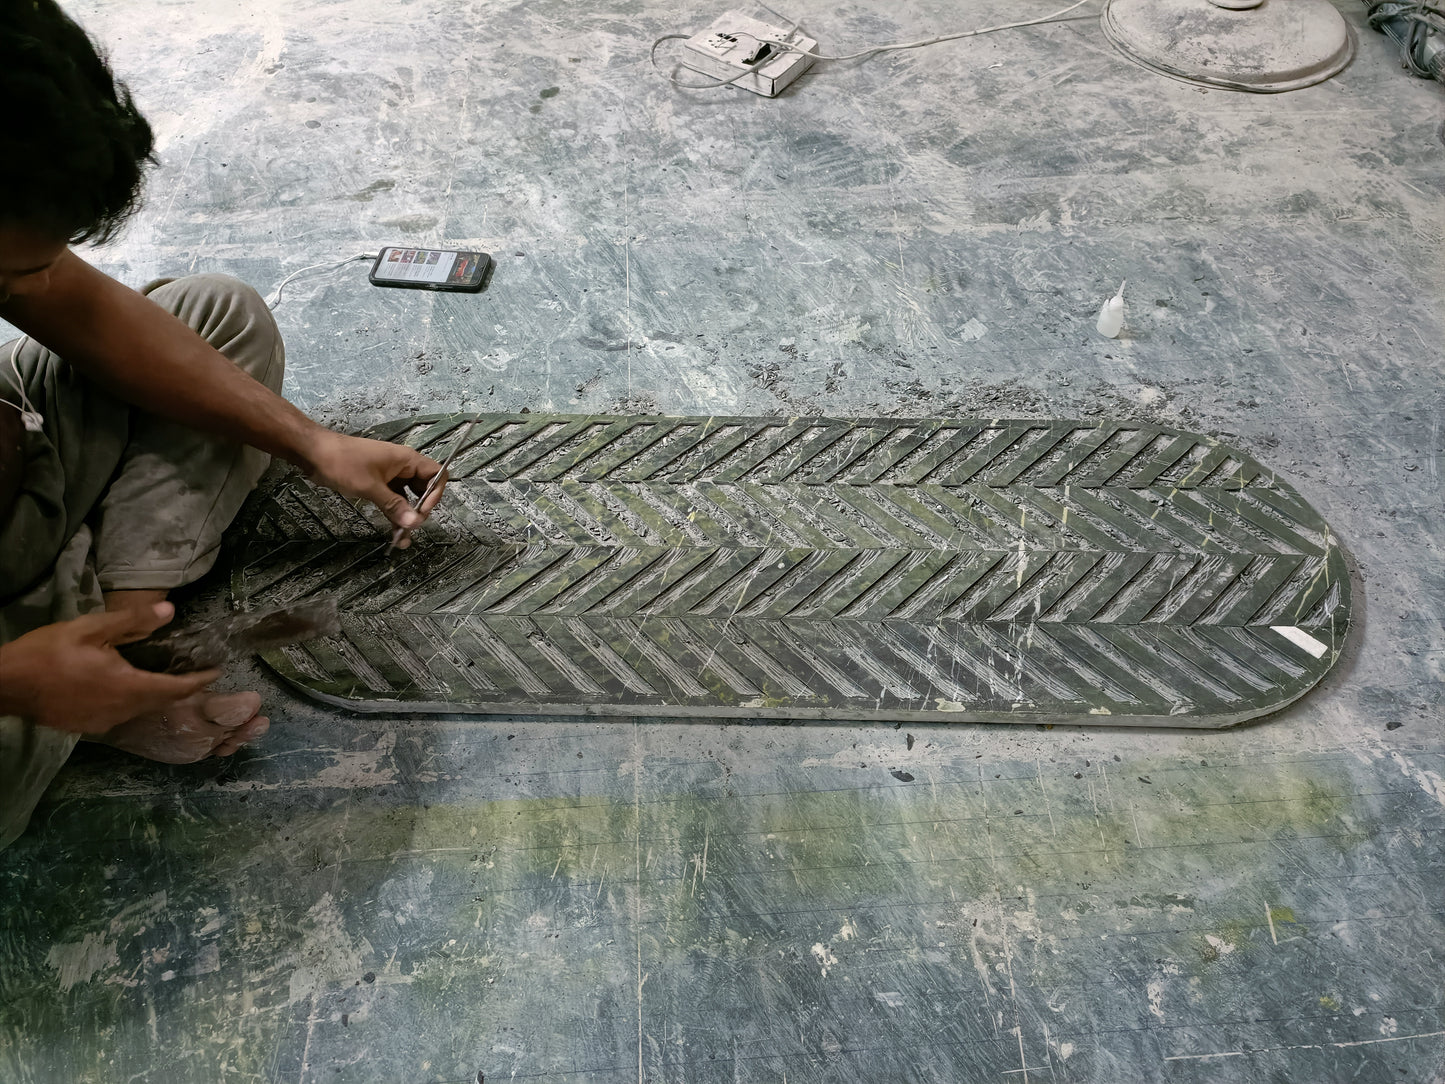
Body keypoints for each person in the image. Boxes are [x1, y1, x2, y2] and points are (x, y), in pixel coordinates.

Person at [0, 0, 445, 849]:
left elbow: (86, 311)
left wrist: (314, 444)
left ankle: (119, 648)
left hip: (19, 458)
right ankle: (67, 694)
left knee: (218, 318)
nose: (25, 293)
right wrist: (16, 683)